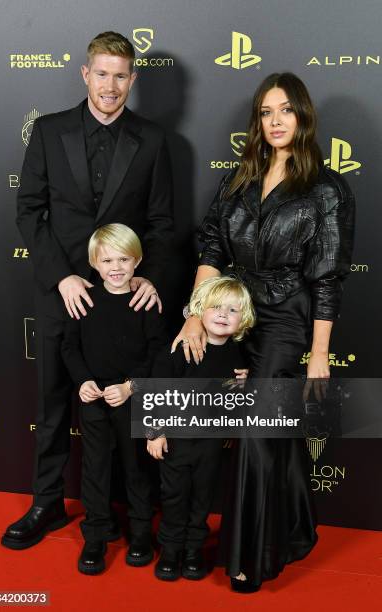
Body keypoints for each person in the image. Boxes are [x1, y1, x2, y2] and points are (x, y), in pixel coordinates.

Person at [172, 72, 355, 592]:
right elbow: (211, 245)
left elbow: (327, 277)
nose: (275, 122)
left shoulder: (327, 188)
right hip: (236, 314)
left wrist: (319, 352)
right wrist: (193, 312)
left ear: (303, 116)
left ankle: (250, 557)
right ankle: (293, 529)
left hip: (288, 321)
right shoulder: (240, 177)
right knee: (277, 432)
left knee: (255, 429)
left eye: (285, 111)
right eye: (266, 112)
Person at [2, 31, 173, 557]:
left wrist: (149, 277)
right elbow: (30, 210)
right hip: (63, 292)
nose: (110, 85)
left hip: (123, 299)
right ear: (85, 74)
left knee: (124, 407)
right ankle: (47, 501)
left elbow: (163, 224)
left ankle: (124, 515)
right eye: (102, 73)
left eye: (121, 75)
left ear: (133, 79)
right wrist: (62, 277)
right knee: (55, 400)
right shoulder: (50, 131)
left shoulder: (154, 139)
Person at [61, 224, 168, 574]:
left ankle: (140, 533)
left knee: (136, 467)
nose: (116, 267)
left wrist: (130, 387)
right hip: (94, 398)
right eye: (107, 260)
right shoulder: (85, 300)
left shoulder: (145, 302)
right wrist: (83, 382)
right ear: (94, 262)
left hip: (132, 396)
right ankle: (95, 536)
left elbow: (157, 353)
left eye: (124, 258)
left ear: (137, 261)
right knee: (95, 469)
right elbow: (70, 347)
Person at [147, 276, 254, 581]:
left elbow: (235, 403)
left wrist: (244, 388)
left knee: (203, 498)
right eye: (216, 307)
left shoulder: (239, 358)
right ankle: (170, 551)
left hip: (211, 444)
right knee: (174, 497)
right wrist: (154, 432)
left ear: (243, 319)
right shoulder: (182, 348)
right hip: (176, 442)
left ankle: (194, 550)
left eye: (232, 310)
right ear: (199, 310)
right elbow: (155, 391)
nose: (223, 314)